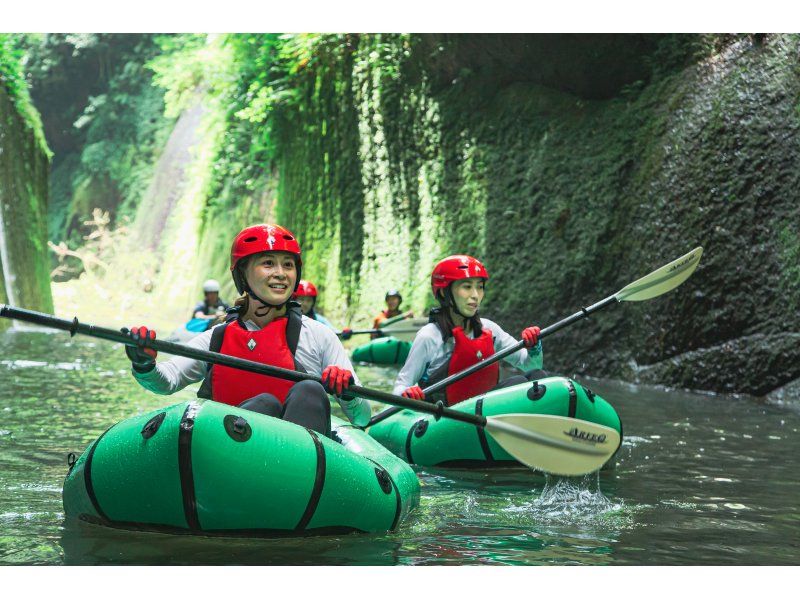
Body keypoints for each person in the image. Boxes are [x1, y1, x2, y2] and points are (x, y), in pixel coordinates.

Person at [123, 224, 370, 436]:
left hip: (298, 473)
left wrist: (347, 393)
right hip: (229, 458)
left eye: (288, 265)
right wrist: (144, 363)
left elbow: (361, 418)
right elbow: (167, 381)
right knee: (264, 405)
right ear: (243, 273)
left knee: (310, 390)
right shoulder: (217, 338)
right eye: (268, 264)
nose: (281, 274)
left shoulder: (318, 336)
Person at [393, 255, 544, 406]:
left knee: (537, 377)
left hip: (487, 413)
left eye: (480, 287)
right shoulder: (429, 336)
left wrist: (533, 347)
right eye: (467, 287)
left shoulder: (489, 329)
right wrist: (406, 392)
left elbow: (530, 365)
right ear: (443, 293)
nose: (475, 295)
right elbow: (401, 386)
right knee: (517, 381)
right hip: (446, 418)